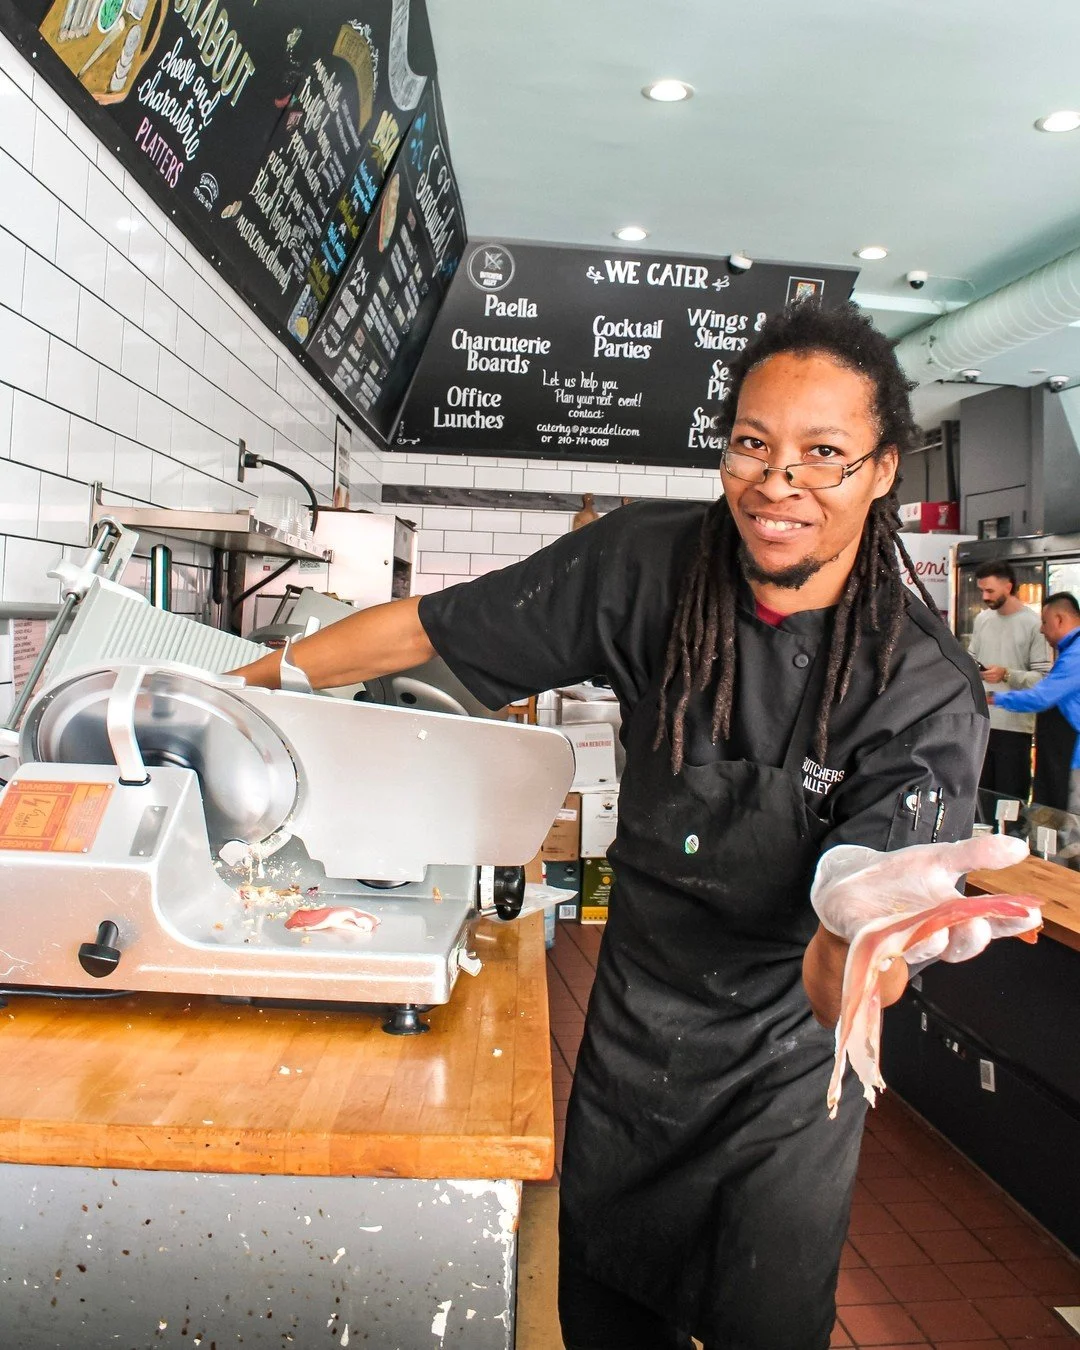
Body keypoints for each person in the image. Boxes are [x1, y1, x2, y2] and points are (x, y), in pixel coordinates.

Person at [233, 303, 1000, 1350]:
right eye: (752, 444)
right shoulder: (648, 562)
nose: (779, 483)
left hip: (785, 1070)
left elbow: (849, 984)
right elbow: (425, 628)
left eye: (824, 454)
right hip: (637, 1032)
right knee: (601, 1315)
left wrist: (858, 927)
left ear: (882, 471)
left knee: (766, 1323)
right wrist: (238, 691)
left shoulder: (922, 687)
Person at [968, 561, 1052, 800]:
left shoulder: (1034, 624)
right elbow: (971, 658)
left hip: (1015, 726)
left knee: (1010, 798)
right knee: (979, 797)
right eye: (982, 590)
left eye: (990, 590)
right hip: (982, 722)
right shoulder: (982, 620)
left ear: (1008, 586)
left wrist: (1006, 674)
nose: (984, 597)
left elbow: (1043, 680)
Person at [991, 592, 1080, 815]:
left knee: (1073, 824)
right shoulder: (1070, 651)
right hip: (1061, 752)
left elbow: (1041, 697)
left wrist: (994, 698)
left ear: (1059, 620)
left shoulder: (1076, 654)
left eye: (1044, 622)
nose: (1041, 630)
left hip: (1073, 755)